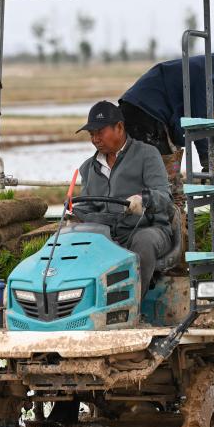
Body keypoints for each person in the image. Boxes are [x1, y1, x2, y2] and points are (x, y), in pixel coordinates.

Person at [119, 43, 214, 206]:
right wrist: (210, 164)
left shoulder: (209, 71)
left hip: (145, 113)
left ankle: (162, 213)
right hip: (144, 114)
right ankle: (158, 215)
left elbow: (201, 123)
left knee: (165, 180)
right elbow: (202, 125)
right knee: (164, 181)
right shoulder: (206, 76)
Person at [72, 101, 174, 299]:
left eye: (100, 132)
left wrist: (144, 199)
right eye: (91, 134)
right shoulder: (88, 168)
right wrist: (76, 214)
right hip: (106, 235)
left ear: (119, 127)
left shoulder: (147, 154)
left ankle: (132, 304)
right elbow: (87, 207)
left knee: (144, 241)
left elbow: (165, 198)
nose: (95, 139)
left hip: (148, 229)